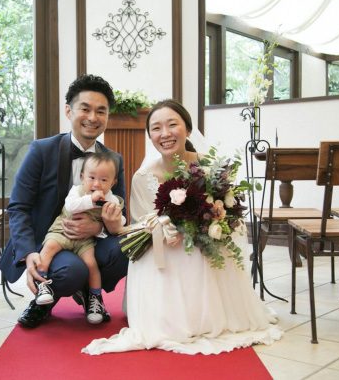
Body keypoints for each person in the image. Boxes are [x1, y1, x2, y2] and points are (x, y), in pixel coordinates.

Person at [83, 100, 282, 355]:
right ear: (150, 136)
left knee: (203, 248)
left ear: (187, 129)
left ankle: (208, 313)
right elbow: (142, 224)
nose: (165, 134)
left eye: (172, 125)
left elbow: (228, 215)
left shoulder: (210, 168)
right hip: (162, 247)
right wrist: (166, 228)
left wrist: (207, 222)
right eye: (156, 128)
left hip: (203, 242)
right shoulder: (143, 177)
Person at [0, 74, 128, 329]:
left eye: (101, 111)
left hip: (91, 241)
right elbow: (18, 206)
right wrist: (28, 252)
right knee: (71, 272)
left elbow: (121, 209)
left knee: (125, 248)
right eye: (85, 109)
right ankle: (45, 299)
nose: (93, 117)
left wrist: (98, 226)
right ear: (69, 111)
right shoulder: (41, 150)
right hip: (51, 237)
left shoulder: (114, 160)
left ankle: (90, 293)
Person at [35, 152, 126, 324]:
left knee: (91, 264)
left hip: (85, 240)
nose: (97, 184)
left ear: (113, 182)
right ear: (82, 177)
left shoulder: (111, 199)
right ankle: (42, 285)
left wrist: (114, 219)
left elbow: (121, 220)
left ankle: (94, 299)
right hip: (61, 231)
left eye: (104, 180)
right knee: (48, 249)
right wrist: (91, 199)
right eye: (92, 178)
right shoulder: (76, 191)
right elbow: (71, 206)